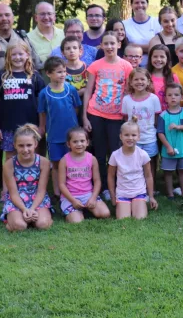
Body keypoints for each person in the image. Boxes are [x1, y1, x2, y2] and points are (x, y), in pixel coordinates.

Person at [0, 3, 35, 193]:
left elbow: (33, 64)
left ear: (13, 17)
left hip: (23, 101)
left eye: (7, 15)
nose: (4, 19)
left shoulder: (23, 38)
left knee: (25, 147)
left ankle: (25, 184)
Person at [83, 31, 134, 198]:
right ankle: (102, 186)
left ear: (119, 45)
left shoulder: (126, 66)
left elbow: (128, 92)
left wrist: (128, 116)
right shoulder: (95, 65)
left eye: (113, 43)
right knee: (99, 152)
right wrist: (84, 117)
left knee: (115, 151)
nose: (110, 46)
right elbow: (88, 91)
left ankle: (117, 185)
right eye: (106, 43)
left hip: (117, 117)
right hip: (96, 113)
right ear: (102, 46)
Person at [0, 43, 46, 166]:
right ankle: (9, 185)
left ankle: (31, 184)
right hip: (8, 126)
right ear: (8, 57)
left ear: (27, 55)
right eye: (13, 54)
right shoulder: (1, 77)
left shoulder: (35, 77)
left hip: (31, 127)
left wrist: (42, 126)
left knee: (31, 156)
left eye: (21, 54)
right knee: (10, 157)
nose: (17, 57)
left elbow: (42, 104)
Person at [37, 57, 82, 188]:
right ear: (48, 73)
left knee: (72, 162)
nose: (63, 74)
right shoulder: (44, 94)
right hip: (54, 135)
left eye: (64, 71)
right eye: (59, 72)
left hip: (71, 135)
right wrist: (41, 127)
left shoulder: (71, 90)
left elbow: (76, 108)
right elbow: (42, 112)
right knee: (56, 163)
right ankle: (57, 191)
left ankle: (73, 188)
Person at [1, 124, 52, 231]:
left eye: (29, 145)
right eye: (21, 146)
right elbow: (13, 193)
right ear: (14, 145)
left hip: (37, 199)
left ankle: (39, 217)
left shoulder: (44, 162)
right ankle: (13, 220)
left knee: (42, 224)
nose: (25, 149)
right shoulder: (9, 164)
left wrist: (32, 209)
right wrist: (24, 209)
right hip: (17, 200)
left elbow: (41, 191)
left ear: (35, 144)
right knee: (20, 226)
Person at [57, 128, 111, 223]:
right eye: (75, 141)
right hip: (70, 196)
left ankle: (84, 209)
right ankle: (70, 211)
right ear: (68, 144)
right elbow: (61, 184)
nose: (79, 144)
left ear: (87, 142)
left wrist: (93, 197)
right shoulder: (64, 160)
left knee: (105, 214)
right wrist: (73, 200)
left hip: (88, 194)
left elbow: (97, 181)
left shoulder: (92, 159)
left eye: (82, 141)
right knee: (77, 221)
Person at [108, 119, 158, 219]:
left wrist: (151, 196)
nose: (130, 138)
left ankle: (141, 202)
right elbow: (110, 177)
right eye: (126, 135)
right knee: (123, 219)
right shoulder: (115, 155)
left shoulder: (143, 155)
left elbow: (148, 176)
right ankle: (123, 205)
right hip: (122, 193)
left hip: (139, 192)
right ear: (121, 136)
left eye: (134, 135)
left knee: (140, 218)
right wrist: (113, 197)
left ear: (138, 137)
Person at [121, 67, 161, 187]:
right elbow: (125, 119)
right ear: (131, 82)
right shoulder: (127, 99)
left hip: (149, 137)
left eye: (142, 79)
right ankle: (136, 185)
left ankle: (151, 187)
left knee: (150, 162)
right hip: (132, 139)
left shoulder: (154, 99)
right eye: (136, 79)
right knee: (134, 162)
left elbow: (156, 119)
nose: (139, 82)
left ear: (148, 81)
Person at [157, 84, 183, 199]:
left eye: (176, 95)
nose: (173, 97)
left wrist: (178, 127)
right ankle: (170, 194)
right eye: (170, 95)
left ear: (182, 97)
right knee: (168, 172)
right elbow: (160, 133)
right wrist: (168, 146)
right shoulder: (163, 115)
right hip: (168, 149)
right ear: (166, 98)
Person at [124, 0, 162, 65]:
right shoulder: (124, 24)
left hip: (154, 65)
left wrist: (134, 46)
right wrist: (149, 46)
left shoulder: (157, 22)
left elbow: (159, 48)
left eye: (143, 2)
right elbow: (124, 48)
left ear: (147, 4)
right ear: (131, 5)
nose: (140, 5)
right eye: (136, 3)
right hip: (132, 66)